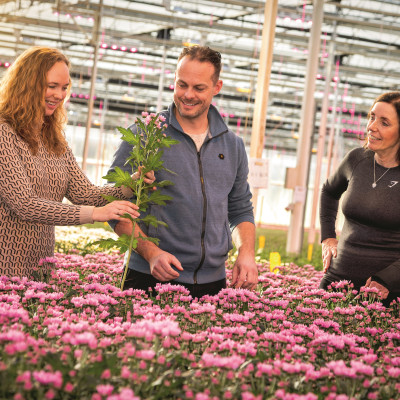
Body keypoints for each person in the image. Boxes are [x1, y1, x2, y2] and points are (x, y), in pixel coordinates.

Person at [108, 45, 258, 298]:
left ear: (216, 87)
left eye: (199, 88)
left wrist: (246, 253)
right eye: (181, 85)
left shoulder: (232, 145)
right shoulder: (145, 135)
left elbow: (240, 207)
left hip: (213, 283)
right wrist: (150, 253)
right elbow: (114, 203)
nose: (188, 95)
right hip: (150, 275)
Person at [0, 46, 150, 278]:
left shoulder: (53, 139)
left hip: (40, 269)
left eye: (64, 88)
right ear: (28, 84)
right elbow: (24, 204)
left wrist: (131, 185)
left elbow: (85, 193)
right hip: (6, 267)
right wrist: (94, 214)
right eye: (52, 86)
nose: (59, 95)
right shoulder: (4, 133)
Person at [319, 91, 400, 306]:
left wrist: (389, 279)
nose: (372, 127)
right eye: (372, 117)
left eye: (384, 122)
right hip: (336, 281)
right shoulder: (356, 159)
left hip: (384, 292)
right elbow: (328, 192)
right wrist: (328, 237)